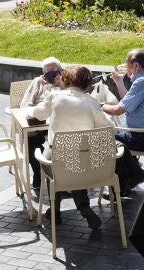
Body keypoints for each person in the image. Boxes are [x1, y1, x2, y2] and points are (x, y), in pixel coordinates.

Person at [30, 65, 110, 231]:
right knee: (75, 164)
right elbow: (107, 128)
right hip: (86, 164)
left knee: (56, 163)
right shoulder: (92, 102)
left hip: (56, 162)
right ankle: (83, 206)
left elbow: (38, 114)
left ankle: (55, 210)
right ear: (87, 83)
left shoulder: (54, 97)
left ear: (65, 80)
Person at [100, 48, 144, 191]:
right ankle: (134, 173)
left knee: (102, 136)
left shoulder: (143, 81)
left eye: (126, 62)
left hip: (143, 137)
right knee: (114, 133)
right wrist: (119, 81)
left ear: (136, 66)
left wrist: (97, 105)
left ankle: (124, 183)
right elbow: (127, 103)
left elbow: (118, 110)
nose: (124, 65)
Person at [19, 57, 63, 190]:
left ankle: (59, 174)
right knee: (30, 139)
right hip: (40, 120)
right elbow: (25, 104)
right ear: (43, 71)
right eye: (47, 70)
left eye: (53, 70)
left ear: (60, 70)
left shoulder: (65, 80)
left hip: (59, 122)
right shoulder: (38, 81)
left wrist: (60, 84)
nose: (50, 72)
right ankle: (38, 171)